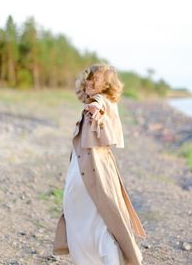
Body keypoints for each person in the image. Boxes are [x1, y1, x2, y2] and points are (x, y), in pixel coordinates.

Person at [53, 63, 147, 265]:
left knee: (100, 220)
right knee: (96, 218)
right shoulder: (109, 102)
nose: (89, 81)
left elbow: (99, 105)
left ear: (106, 84)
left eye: (95, 79)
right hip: (92, 168)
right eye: (88, 77)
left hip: (92, 170)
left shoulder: (102, 101)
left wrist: (96, 109)